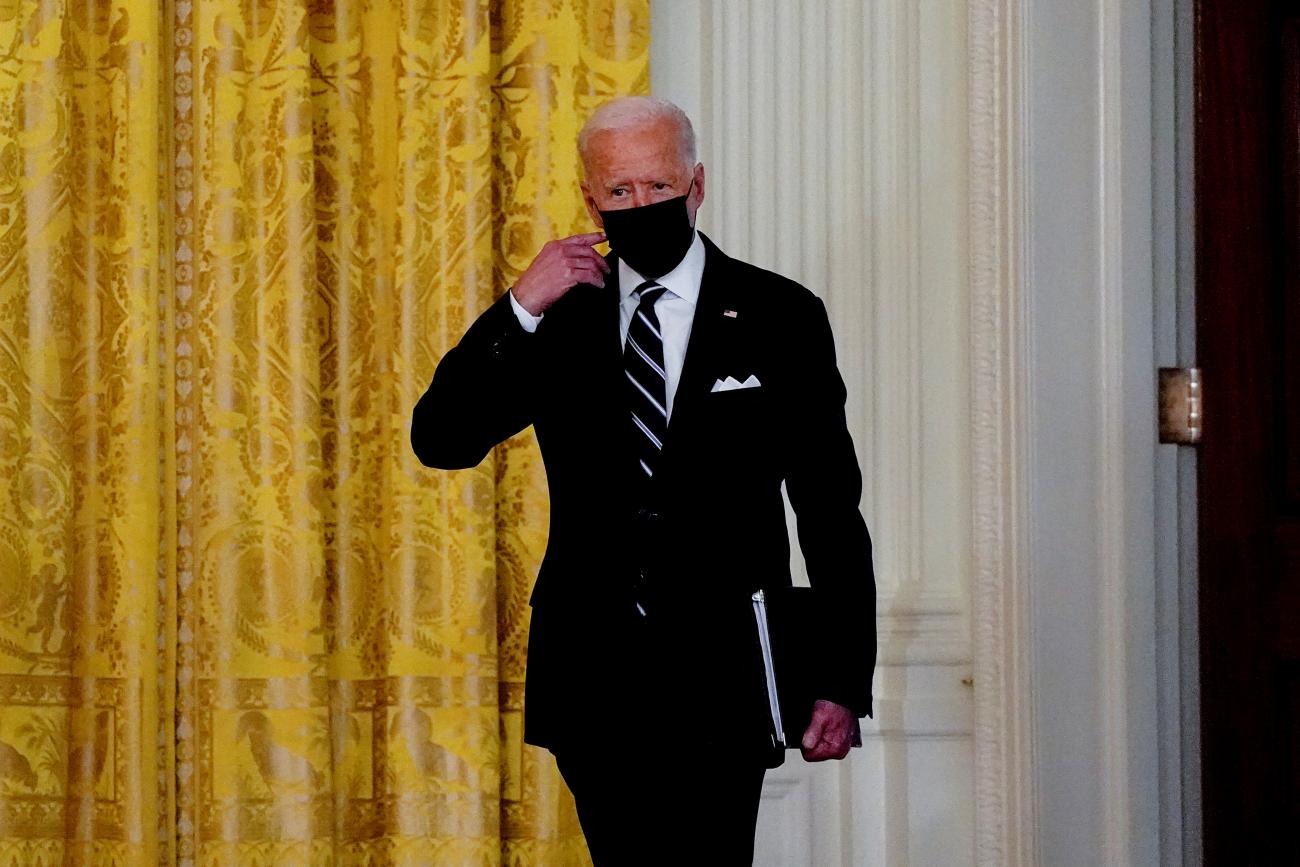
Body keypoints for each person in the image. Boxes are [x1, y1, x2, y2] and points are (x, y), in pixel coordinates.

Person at [411, 96, 875, 865]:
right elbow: (442, 439)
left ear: (697, 185)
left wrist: (841, 675)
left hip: (726, 672)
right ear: (590, 197)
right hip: (594, 675)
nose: (640, 205)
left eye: (658, 187)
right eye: (620, 191)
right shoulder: (558, 320)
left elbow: (829, 506)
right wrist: (520, 305)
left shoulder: (779, 313)